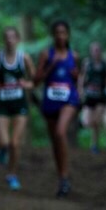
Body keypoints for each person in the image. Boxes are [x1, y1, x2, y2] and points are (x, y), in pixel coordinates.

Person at [0, 27, 36, 191]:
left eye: (13, 37)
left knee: (15, 143)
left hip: (19, 104)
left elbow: (35, 79)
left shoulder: (24, 58)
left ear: (18, 39)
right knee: (4, 142)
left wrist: (27, 84)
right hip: (2, 104)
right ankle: (2, 149)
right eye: (6, 37)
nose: (9, 40)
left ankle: (12, 174)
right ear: (3, 40)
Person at [35, 20, 80, 198]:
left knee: (61, 133)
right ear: (53, 35)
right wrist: (50, 66)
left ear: (68, 35)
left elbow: (78, 79)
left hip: (69, 99)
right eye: (57, 33)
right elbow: (36, 79)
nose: (60, 36)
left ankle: (65, 176)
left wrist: (77, 77)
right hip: (51, 100)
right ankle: (62, 178)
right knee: (55, 141)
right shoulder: (46, 54)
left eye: (63, 33)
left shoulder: (73, 56)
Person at [79, 42, 106, 153]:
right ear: (91, 51)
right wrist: (80, 91)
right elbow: (82, 77)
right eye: (94, 50)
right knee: (86, 122)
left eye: (97, 50)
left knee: (96, 122)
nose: (96, 52)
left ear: (100, 51)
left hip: (101, 97)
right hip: (89, 96)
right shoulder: (87, 63)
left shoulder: (105, 64)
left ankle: (94, 144)